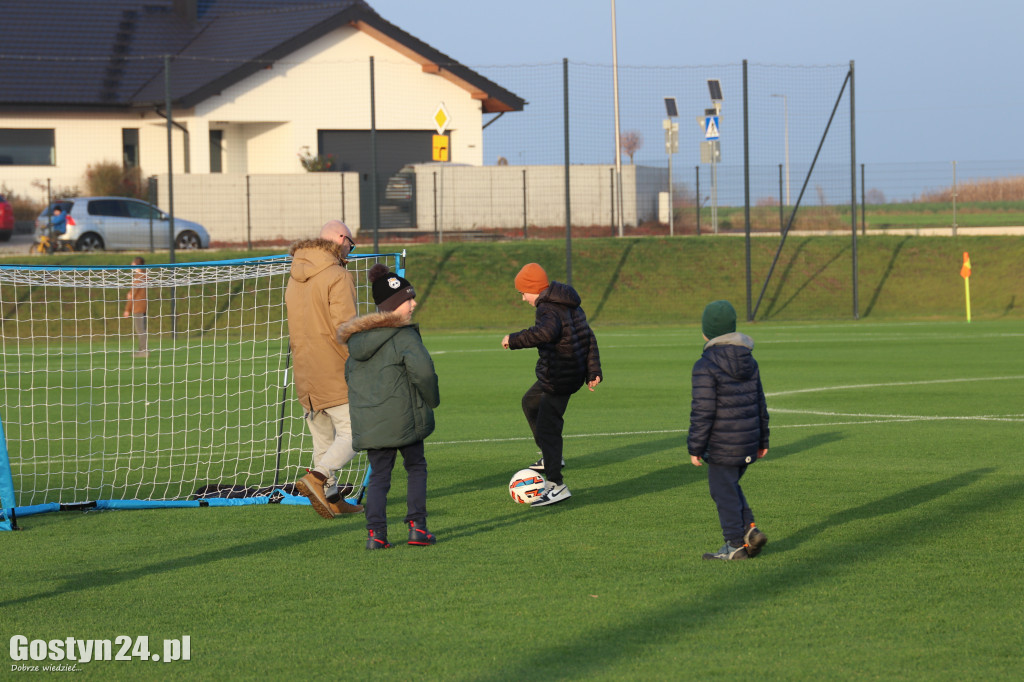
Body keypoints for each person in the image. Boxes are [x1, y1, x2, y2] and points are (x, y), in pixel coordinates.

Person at [337, 264, 440, 549]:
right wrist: (432, 400)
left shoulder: (356, 342)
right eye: (409, 299)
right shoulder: (404, 335)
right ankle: (417, 527)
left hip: (371, 422)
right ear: (394, 305)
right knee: (416, 467)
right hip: (405, 419)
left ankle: (376, 534)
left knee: (379, 475)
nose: (414, 303)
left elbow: (349, 377)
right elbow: (424, 373)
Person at [501, 263, 602, 507]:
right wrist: (593, 370)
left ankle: (556, 485)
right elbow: (587, 337)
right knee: (530, 402)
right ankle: (549, 457)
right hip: (567, 372)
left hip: (559, 376)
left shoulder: (546, 308)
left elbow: (545, 333)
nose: (523, 298)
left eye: (523, 292)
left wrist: (513, 339)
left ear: (533, 289)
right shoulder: (569, 303)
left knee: (549, 427)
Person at [285, 220, 364, 518]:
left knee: (323, 440)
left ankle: (331, 500)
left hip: (303, 369)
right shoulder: (337, 275)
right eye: (351, 244)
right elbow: (346, 328)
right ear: (341, 239)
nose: (350, 250)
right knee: (357, 432)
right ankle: (317, 478)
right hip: (333, 367)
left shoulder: (295, 275)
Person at [687, 300, 770, 561]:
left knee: (723, 492)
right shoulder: (749, 360)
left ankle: (735, 545)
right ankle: (750, 531)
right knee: (728, 487)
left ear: (706, 332)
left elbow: (703, 411)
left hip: (722, 444)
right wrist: (763, 438)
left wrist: (695, 447)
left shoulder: (705, 365)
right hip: (747, 441)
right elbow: (760, 402)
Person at [122, 256, 149, 357]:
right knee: (142, 329)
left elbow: (132, 294)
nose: (131, 265)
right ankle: (143, 350)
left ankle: (143, 351)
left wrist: (126, 309)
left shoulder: (139, 277)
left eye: (133, 263)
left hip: (138, 306)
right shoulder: (143, 276)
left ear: (136, 264)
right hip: (142, 305)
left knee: (140, 330)